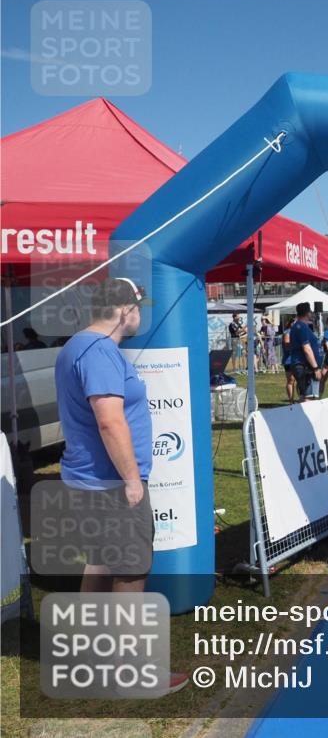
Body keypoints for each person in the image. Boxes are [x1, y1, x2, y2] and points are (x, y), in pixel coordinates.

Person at [53, 278, 188, 694]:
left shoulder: (79, 345)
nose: (141, 315)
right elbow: (110, 419)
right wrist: (132, 480)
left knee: (100, 562)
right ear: (125, 310)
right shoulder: (99, 351)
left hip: (89, 479)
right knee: (130, 571)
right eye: (139, 308)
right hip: (108, 483)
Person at [287, 302, 322, 401]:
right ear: (307, 313)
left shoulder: (297, 326)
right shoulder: (301, 327)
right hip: (305, 366)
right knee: (309, 398)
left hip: (301, 365)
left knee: (304, 396)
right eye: (310, 311)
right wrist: (315, 368)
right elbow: (306, 348)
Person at [281, 318, 296, 404]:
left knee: (299, 380)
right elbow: (287, 346)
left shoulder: (297, 333)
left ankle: (299, 399)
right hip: (289, 360)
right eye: (293, 322)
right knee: (291, 380)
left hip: (297, 359)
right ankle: (291, 400)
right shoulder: (287, 332)